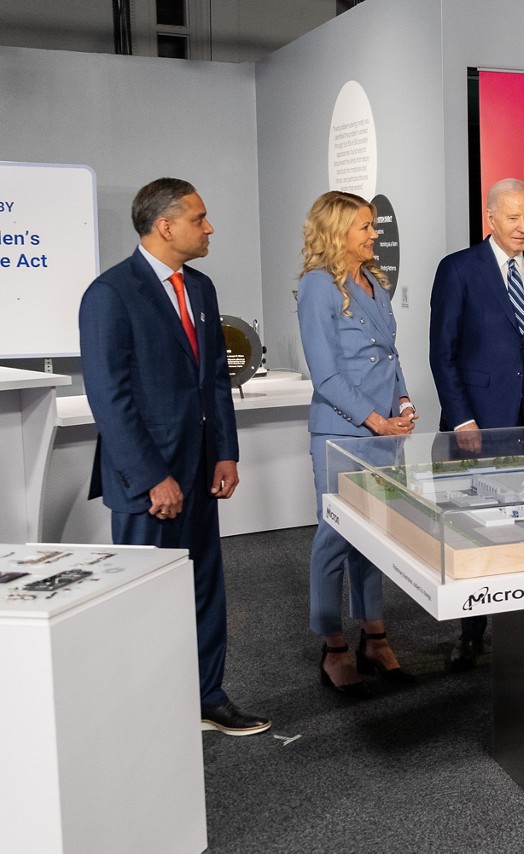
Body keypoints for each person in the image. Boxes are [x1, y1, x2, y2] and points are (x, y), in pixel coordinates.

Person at [79, 178, 270, 736]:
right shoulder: (110, 293)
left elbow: (214, 381)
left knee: (205, 587)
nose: (209, 228)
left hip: (199, 469)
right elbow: (109, 398)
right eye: (199, 218)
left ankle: (207, 697)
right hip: (149, 481)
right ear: (165, 226)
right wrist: (151, 477)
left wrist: (226, 452)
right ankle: (147, 716)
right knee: (147, 598)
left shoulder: (201, 288)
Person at [429, 177, 524, 670]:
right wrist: (462, 418)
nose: (523, 226)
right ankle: (471, 633)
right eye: (513, 217)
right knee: (475, 529)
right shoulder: (457, 269)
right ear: (490, 217)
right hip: (477, 427)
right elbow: (442, 353)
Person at [297, 191, 418, 696]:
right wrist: (375, 421)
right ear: (337, 231)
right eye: (365, 226)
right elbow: (325, 375)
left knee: (374, 537)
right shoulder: (317, 286)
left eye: (373, 225)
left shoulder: (374, 282)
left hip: (384, 429)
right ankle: (333, 646)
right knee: (336, 536)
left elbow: (390, 356)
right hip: (343, 432)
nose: (374, 233)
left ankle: (375, 636)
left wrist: (403, 401)